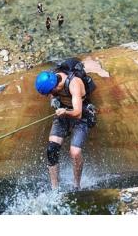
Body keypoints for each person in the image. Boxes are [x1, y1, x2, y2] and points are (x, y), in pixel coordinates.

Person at [34, 58, 97, 190]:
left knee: (75, 152)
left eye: (51, 92)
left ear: (55, 86)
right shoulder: (53, 80)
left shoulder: (74, 83)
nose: (51, 94)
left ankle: (76, 186)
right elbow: (53, 95)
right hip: (62, 113)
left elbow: (78, 113)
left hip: (80, 114)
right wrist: (56, 103)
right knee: (51, 149)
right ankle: (55, 188)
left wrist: (64, 112)